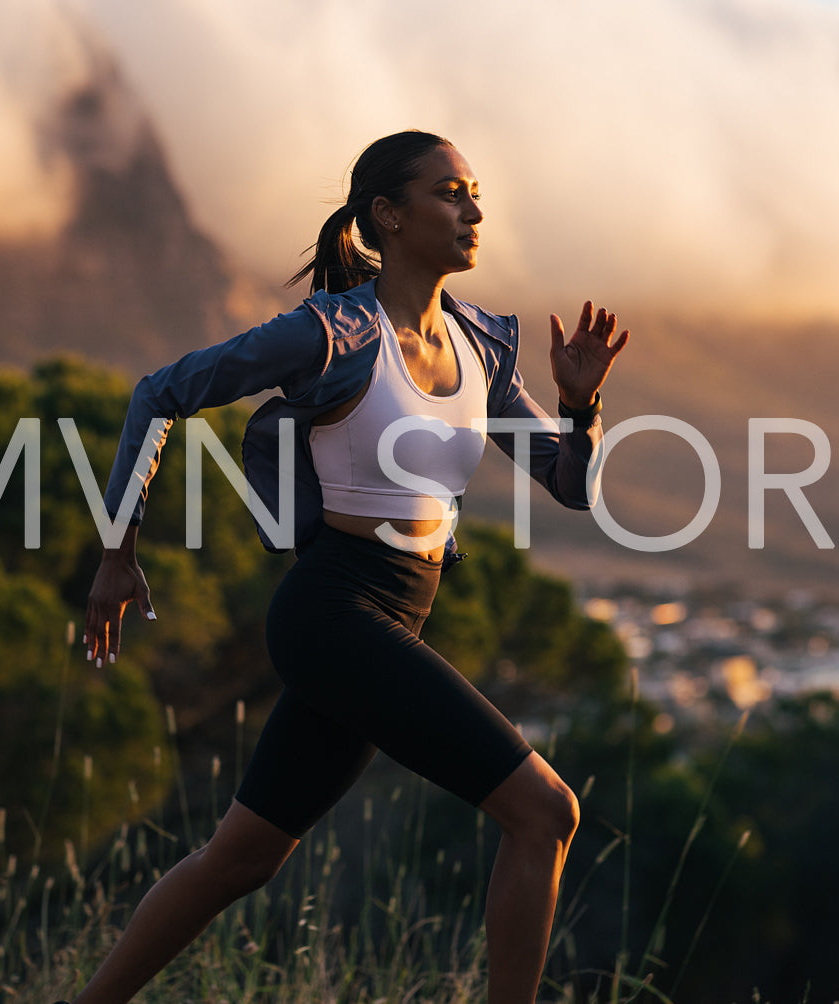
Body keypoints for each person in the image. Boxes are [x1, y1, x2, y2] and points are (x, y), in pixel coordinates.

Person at [70, 129, 629, 1004]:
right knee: (546, 813)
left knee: (240, 858)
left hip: (392, 618)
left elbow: (568, 485)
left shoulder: (481, 346)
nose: (472, 209)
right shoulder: (331, 333)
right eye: (448, 192)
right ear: (388, 215)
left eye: (475, 192)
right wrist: (116, 551)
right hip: (332, 612)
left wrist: (580, 404)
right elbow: (161, 392)